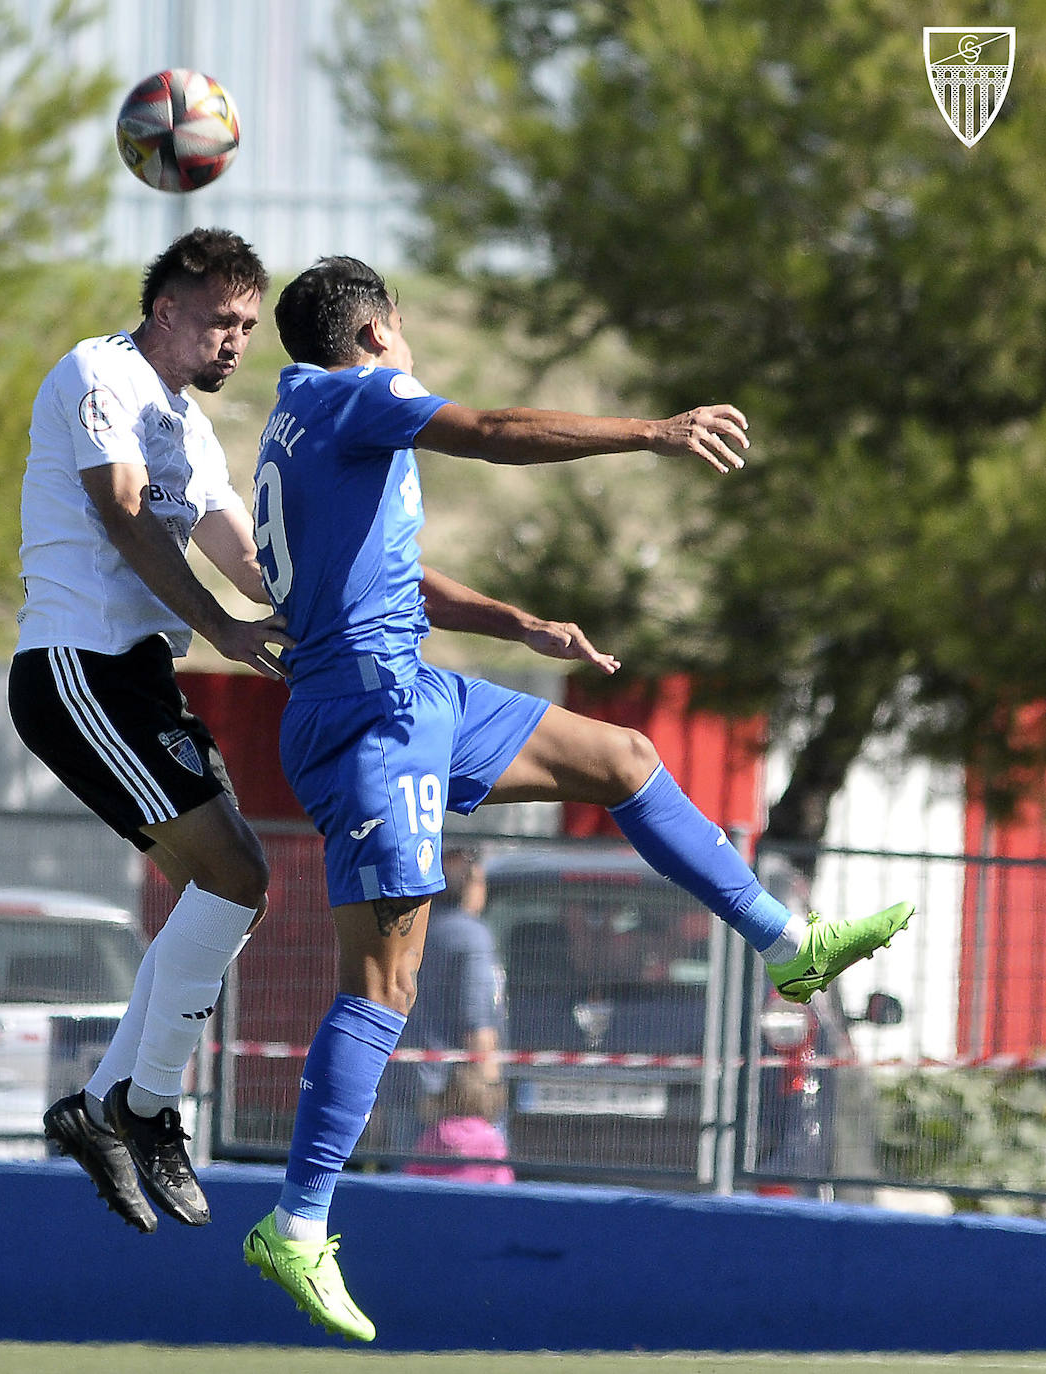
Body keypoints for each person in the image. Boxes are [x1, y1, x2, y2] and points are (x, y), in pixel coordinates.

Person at [240, 255, 915, 1342]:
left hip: (416, 691)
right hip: (369, 722)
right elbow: (500, 430)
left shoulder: (302, 414)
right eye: (402, 337)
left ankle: (788, 942)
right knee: (386, 982)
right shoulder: (367, 394)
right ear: (379, 332)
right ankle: (297, 1221)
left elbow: (382, 576)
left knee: (625, 762)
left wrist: (517, 626)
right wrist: (653, 431)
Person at [8, 228, 293, 1235]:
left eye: (249, 327)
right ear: (165, 305)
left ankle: (105, 1107)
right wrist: (219, 627)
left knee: (239, 886)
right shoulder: (100, 372)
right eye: (221, 320)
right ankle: (146, 1107)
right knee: (235, 873)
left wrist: (364, 610)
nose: (235, 343)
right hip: (75, 667)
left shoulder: (193, 429)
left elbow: (252, 564)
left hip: (137, 681)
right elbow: (125, 512)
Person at [373, 844, 504, 1155]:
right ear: (473, 882)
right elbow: (477, 1023)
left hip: (403, 1084)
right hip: (453, 1098)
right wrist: (491, 1089)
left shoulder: (408, 930)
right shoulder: (471, 937)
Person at [402, 1060, 514, 1186]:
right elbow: (502, 1182)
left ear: (446, 1097)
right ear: (484, 1099)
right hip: (478, 1203)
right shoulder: (490, 1139)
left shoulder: (433, 1135)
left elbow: (413, 1176)